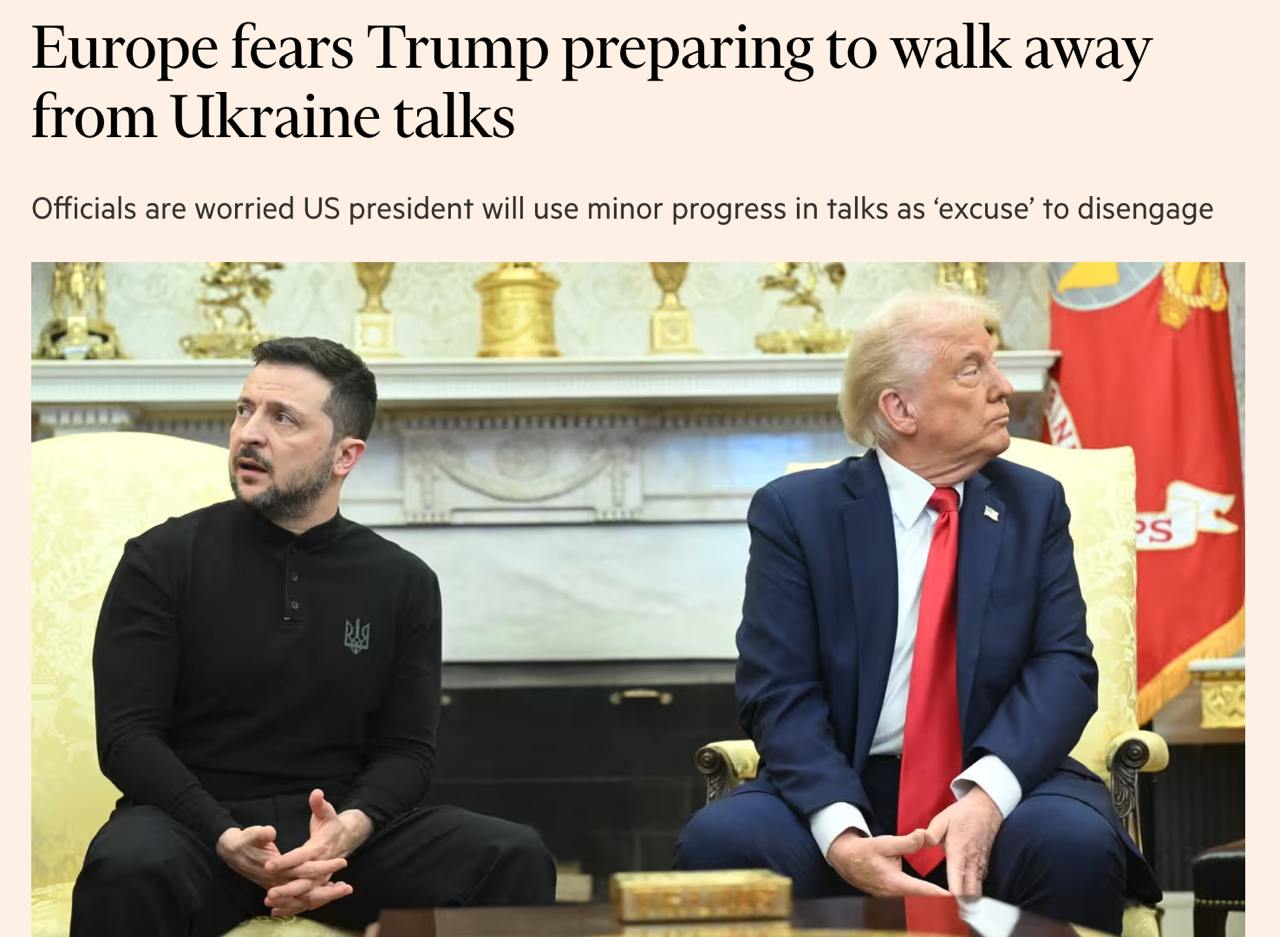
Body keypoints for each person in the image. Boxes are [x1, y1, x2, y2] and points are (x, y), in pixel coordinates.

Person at [675, 291, 1160, 934]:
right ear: (899, 409)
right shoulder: (798, 512)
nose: (1004, 387)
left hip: (1004, 775)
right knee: (724, 844)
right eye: (971, 369)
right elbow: (778, 690)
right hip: (847, 778)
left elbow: (1063, 669)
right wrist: (840, 831)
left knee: (1071, 844)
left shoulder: (1034, 504)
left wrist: (987, 796)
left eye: (994, 363)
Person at [71, 337, 556, 937]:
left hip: (341, 849)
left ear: (344, 455)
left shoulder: (402, 580)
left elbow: (406, 751)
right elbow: (127, 737)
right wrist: (223, 835)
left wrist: (350, 828)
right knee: (126, 866)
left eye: (283, 418)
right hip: (194, 835)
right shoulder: (161, 558)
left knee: (512, 854)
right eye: (244, 410)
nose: (249, 433)